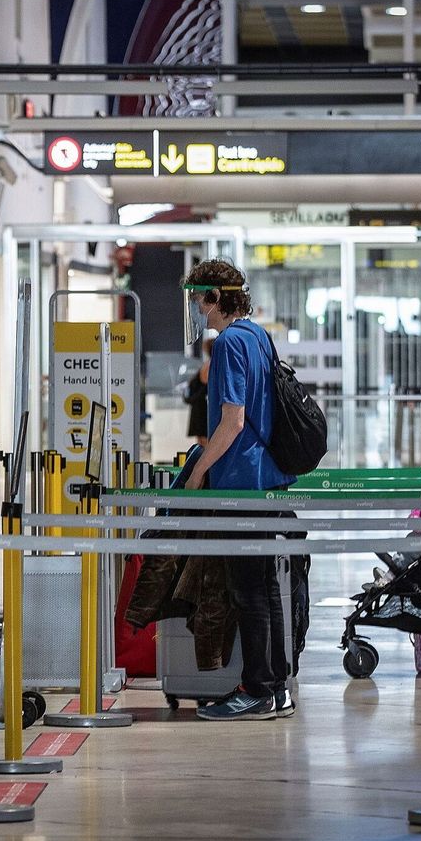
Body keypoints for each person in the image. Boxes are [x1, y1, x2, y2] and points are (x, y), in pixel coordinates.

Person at [175, 260, 296, 721]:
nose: (195, 308)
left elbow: (233, 420)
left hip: (241, 480)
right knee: (265, 587)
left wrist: (197, 471)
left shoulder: (227, 344)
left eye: (197, 298)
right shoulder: (258, 336)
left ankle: (260, 690)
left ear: (214, 297)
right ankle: (275, 687)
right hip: (267, 477)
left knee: (249, 589)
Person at [184, 334, 216, 444]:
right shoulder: (211, 365)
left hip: (199, 406)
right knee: (205, 440)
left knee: (201, 440)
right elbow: (206, 385)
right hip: (203, 407)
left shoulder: (206, 365)